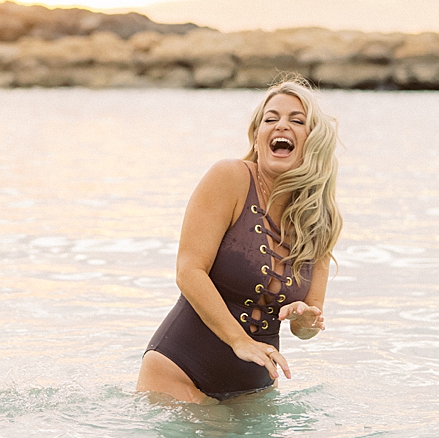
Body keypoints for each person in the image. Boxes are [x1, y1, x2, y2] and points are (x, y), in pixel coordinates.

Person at [138, 78, 342, 404]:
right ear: (258, 137)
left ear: (313, 141)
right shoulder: (230, 178)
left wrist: (306, 319)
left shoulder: (321, 220)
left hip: (254, 389)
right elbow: (189, 270)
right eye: (270, 118)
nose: (282, 126)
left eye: (297, 120)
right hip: (180, 371)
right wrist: (238, 339)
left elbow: (308, 325)